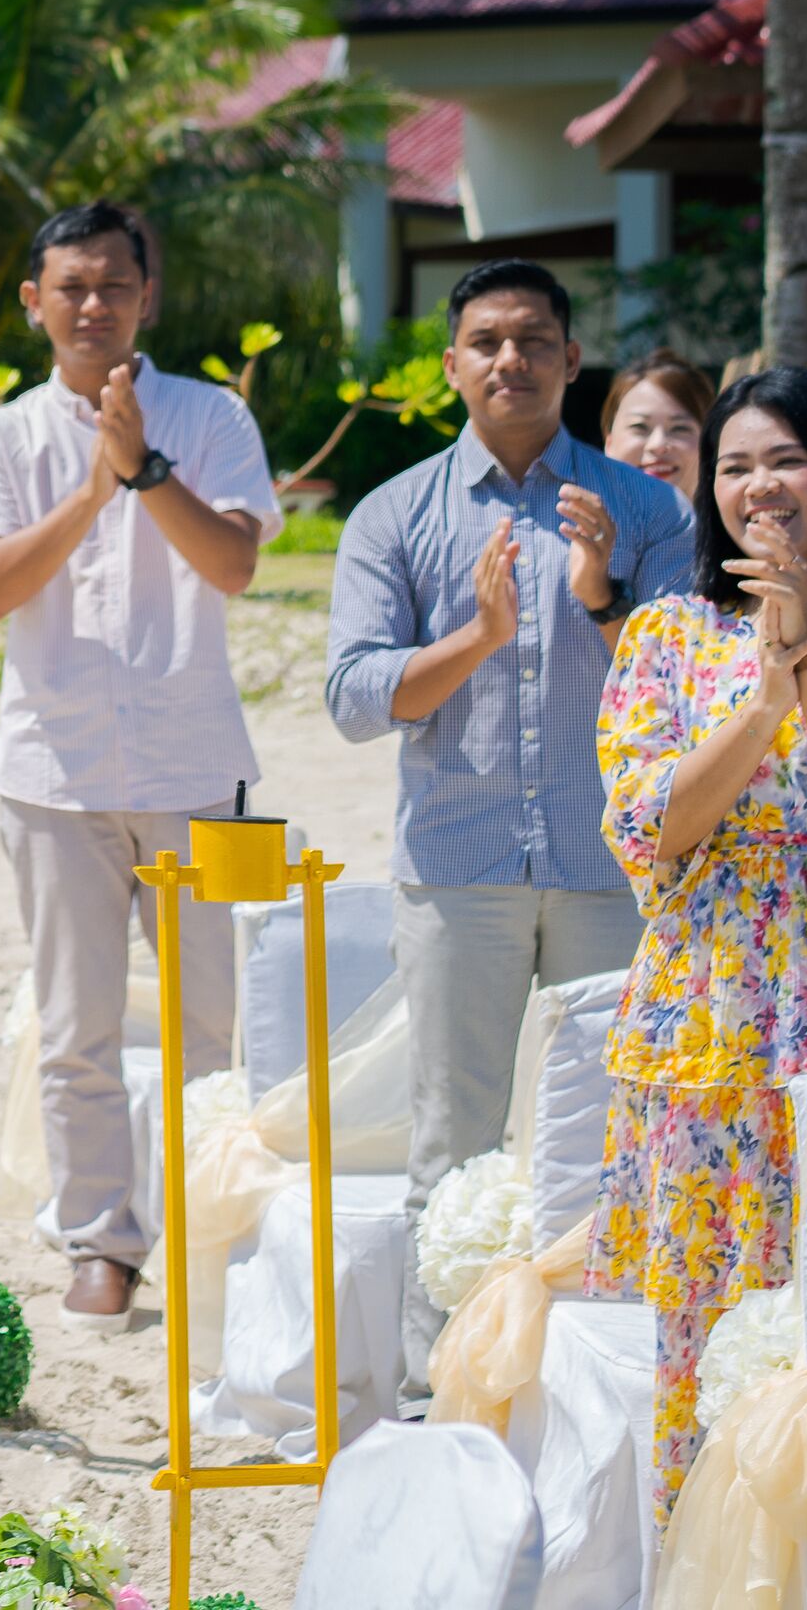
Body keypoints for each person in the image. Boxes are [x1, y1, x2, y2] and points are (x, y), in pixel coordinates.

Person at [0, 202, 282, 1328]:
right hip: (53, 771)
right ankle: (101, 1241)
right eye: (71, 286)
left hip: (195, 765)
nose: (94, 305)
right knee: (75, 1024)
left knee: (213, 1027)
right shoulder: (1, 439)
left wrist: (143, 472)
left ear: (150, 296)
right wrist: (93, 484)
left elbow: (231, 563)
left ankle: (209, 1231)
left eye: (115, 285)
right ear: (35, 302)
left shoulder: (214, 415)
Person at [327, 259, 689, 1300]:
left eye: (535, 340)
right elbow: (353, 698)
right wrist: (479, 637)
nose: (511, 360)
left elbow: (686, 686)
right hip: (459, 870)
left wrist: (601, 593)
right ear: (451, 364)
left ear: (574, 361)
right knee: (452, 1153)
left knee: (615, 1149)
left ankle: (575, 1409)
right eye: (487, 341)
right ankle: (435, 1405)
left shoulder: (649, 513)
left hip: (609, 867)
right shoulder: (393, 516)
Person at [591, 367, 807, 1521]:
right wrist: (765, 696)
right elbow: (654, 829)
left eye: (783, 458)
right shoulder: (667, 635)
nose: (758, 486)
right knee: (712, 1333)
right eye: (734, 465)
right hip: (710, 1032)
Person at [604, 350, 714, 504]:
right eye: (640, 427)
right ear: (609, 444)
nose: (658, 445)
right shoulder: (568, 525)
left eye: (679, 428)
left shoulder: (743, 527)